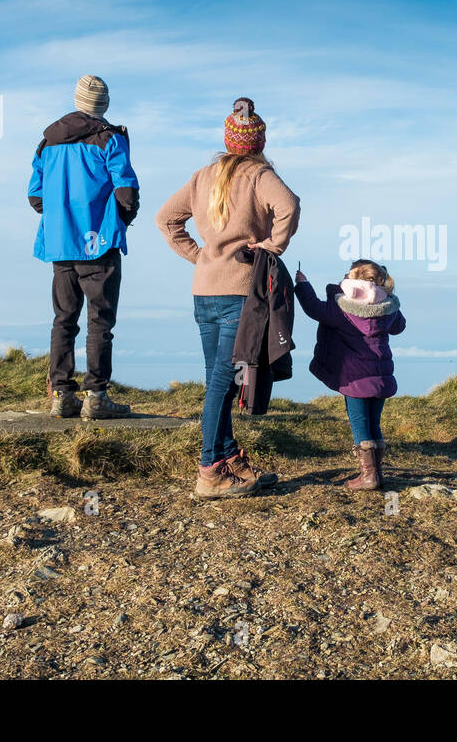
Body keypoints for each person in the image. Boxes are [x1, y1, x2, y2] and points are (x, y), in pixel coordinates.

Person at [155, 97, 300, 498]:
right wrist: (271, 248)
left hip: (204, 290)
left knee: (218, 378)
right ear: (258, 142)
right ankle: (209, 470)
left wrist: (199, 256)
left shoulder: (204, 175)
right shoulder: (258, 174)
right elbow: (290, 205)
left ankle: (226, 454)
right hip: (240, 292)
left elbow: (165, 218)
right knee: (225, 380)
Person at [28, 75, 138, 419]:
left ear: (78, 101)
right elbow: (126, 193)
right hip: (98, 244)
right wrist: (116, 221)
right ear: (103, 106)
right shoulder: (110, 139)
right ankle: (96, 397)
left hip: (61, 246)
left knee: (64, 319)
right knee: (100, 321)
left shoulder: (47, 143)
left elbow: (35, 196)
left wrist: (63, 215)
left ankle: (62, 395)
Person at [295, 260, 405, 491]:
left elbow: (313, 308)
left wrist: (303, 285)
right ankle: (377, 473)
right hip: (381, 376)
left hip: (354, 378)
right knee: (374, 423)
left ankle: (368, 476)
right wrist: (388, 297)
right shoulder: (387, 308)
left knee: (359, 423)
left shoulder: (342, 309)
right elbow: (399, 326)